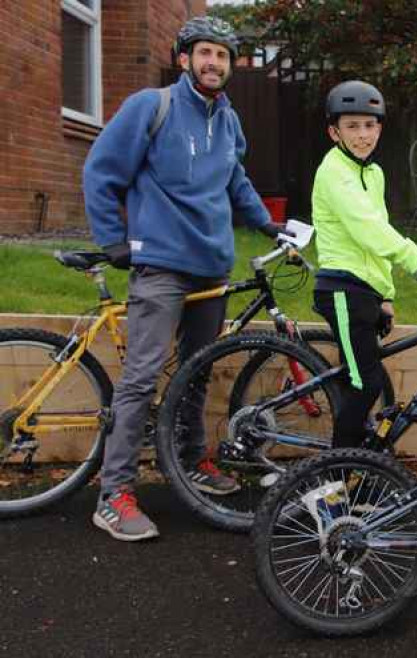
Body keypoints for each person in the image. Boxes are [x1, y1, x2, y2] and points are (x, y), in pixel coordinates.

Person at [84, 16, 285, 541]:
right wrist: (113, 240)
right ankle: (114, 494)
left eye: (222, 55)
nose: (214, 62)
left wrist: (267, 224)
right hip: (162, 266)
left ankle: (192, 461)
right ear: (184, 58)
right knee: (142, 378)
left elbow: (235, 179)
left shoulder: (229, 120)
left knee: (198, 371)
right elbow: (101, 171)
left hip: (211, 267)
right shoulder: (152, 107)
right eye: (205, 53)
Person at [311, 80, 417, 448]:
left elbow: (378, 235)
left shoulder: (372, 173)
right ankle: (337, 477)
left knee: (356, 380)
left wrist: (386, 295)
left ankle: (356, 464)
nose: (363, 135)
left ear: (380, 127)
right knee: (367, 383)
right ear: (334, 132)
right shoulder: (334, 171)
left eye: (370, 125)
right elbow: (368, 229)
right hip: (341, 287)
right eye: (352, 126)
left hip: (364, 290)